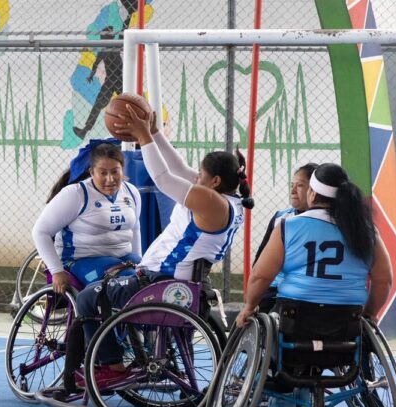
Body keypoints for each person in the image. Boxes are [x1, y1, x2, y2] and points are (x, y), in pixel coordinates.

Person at [61, 104, 253, 392]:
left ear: (215, 181)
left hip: (160, 282)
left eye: (201, 174)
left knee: (89, 297)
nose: (195, 177)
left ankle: (111, 366)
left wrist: (144, 137)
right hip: (176, 281)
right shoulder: (226, 199)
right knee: (108, 287)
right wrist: (155, 133)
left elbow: (164, 179)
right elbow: (178, 169)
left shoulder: (211, 202)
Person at [236, 162, 392, 329]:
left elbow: (261, 276)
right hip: (348, 318)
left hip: (294, 316)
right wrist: (370, 313)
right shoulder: (366, 230)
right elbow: (384, 280)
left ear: (312, 193)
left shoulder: (288, 226)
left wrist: (249, 307)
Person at [32, 138, 142, 294]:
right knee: (125, 282)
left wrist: (139, 261)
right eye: (103, 173)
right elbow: (40, 232)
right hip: (80, 260)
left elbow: (135, 228)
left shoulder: (131, 192)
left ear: (122, 169)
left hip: (123, 258)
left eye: (115, 171)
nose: (110, 179)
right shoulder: (76, 194)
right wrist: (56, 271)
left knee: (149, 276)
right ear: (92, 172)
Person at [253, 163, 317, 312]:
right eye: (292, 185)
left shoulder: (324, 221)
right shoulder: (281, 217)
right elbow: (260, 259)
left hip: (302, 290)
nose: (293, 190)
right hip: (273, 287)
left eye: (300, 186)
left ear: (314, 190)